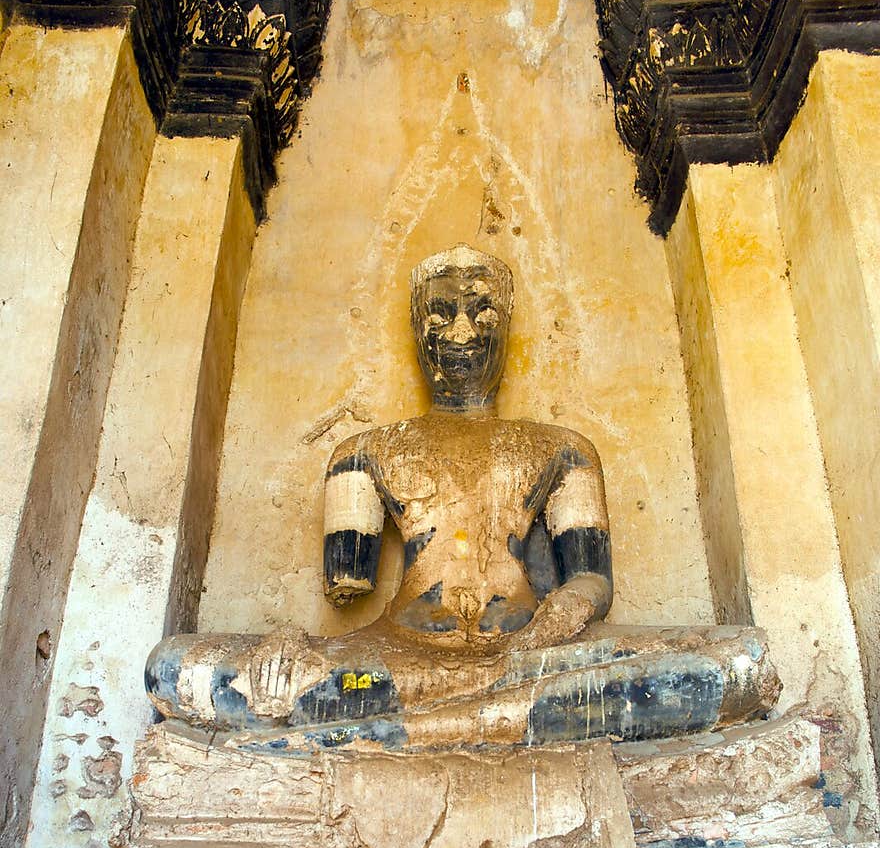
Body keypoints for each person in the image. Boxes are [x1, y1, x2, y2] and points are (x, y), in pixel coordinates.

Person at [146, 244, 780, 750]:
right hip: (394, 663)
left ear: (505, 323)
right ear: (417, 326)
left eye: (481, 310)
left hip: (531, 657)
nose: (462, 329)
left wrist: (563, 614)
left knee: (737, 661)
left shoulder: (563, 447)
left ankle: (396, 732)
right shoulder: (363, 452)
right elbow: (348, 584)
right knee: (175, 668)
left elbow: (591, 579)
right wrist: (286, 640)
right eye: (441, 311)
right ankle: (485, 720)